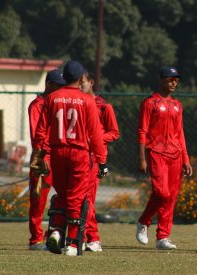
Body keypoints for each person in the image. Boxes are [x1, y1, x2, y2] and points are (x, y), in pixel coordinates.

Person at [31, 60, 107, 256]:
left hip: (57, 152)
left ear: (64, 77)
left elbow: (40, 131)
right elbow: (96, 134)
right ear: (81, 78)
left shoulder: (52, 98)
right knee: (76, 197)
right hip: (79, 153)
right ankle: (72, 243)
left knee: (62, 195)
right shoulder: (88, 100)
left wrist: (40, 154)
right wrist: (102, 159)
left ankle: (56, 230)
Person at [136, 66, 193, 250]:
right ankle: (144, 221)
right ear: (161, 80)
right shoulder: (150, 102)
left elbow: (180, 133)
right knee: (162, 193)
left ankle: (163, 237)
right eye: (170, 79)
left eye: (176, 79)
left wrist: (186, 159)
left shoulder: (177, 105)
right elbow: (142, 130)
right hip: (156, 152)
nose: (174, 82)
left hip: (175, 154)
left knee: (171, 196)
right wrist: (142, 157)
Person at [80, 73, 120, 252]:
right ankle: (80, 237)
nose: (80, 86)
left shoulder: (104, 106)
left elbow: (114, 132)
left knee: (87, 199)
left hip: (95, 158)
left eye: (83, 82)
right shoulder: (77, 103)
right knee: (76, 199)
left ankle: (93, 238)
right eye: (77, 83)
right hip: (77, 156)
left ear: (91, 82)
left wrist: (95, 139)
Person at [27, 69, 65, 250]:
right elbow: (37, 136)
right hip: (43, 155)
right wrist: (41, 159)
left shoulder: (58, 103)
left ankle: (58, 235)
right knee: (38, 199)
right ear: (48, 84)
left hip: (61, 154)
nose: (60, 90)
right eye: (58, 86)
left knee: (67, 196)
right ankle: (35, 240)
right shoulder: (37, 105)